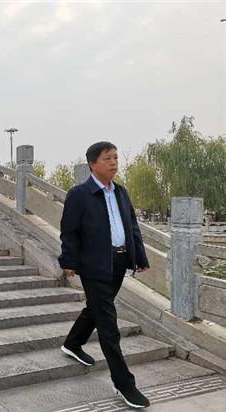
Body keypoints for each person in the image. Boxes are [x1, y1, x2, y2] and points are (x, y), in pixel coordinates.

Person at [58, 141, 150, 409]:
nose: (114, 163)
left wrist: (139, 257)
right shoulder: (79, 194)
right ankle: (124, 383)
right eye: (107, 158)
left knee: (97, 307)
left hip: (119, 261)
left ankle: (72, 343)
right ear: (92, 163)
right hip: (94, 264)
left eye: (116, 158)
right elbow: (69, 231)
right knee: (108, 323)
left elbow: (132, 226)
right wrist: (68, 261)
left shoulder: (120, 191)